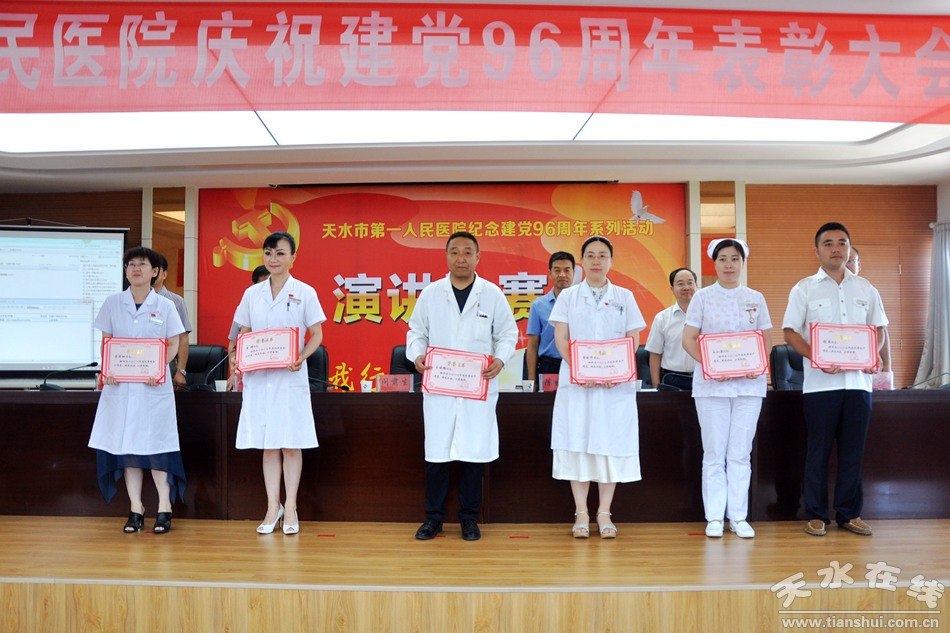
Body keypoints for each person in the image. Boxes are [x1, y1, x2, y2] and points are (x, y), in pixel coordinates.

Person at [406, 231, 518, 541]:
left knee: (473, 456)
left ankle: (469, 519)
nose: (461, 258)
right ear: (446, 256)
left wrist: (501, 359)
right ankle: (433, 519)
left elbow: (507, 334)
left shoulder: (492, 294)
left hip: (476, 389)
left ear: (478, 257)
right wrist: (417, 355)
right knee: (437, 456)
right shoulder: (431, 294)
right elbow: (416, 332)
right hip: (441, 388)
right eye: (454, 252)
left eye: (468, 252)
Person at [783, 223, 887, 537]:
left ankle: (849, 513)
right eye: (828, 243)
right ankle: (816, 515)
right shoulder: (804, 288)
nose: (836, 248)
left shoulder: (867, 288)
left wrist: (873, 354)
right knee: (818, 451)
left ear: (849, 249)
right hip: (820, 386)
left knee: (853, 452)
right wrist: (817, 356)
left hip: (858, 385)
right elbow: (790, 333)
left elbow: (878, 330)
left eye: (842, 242)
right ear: (817, 250)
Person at [549, 236, 646, 539]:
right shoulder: (569, 296)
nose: (596, 260)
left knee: (609, 444)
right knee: (577, 440)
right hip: (577, 382)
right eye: (590, 255)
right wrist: (580, 369)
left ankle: (604, 512)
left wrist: (619, 369)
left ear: (611, 261)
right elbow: (561, 338)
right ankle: (581, 512)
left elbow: (633, 338)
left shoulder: (625, 296)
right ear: (582, 261)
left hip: (614, 384)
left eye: (602, 255)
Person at [233, 231, 326, 535]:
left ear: (293, 257)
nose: (273, 259)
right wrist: (240, 358)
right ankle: (273, 507)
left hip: (289, 378)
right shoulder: (252, 294)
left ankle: (292, 507)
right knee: (269, 445)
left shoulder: (305, 292)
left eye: (280, 253)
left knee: (291, 444)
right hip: (260, 379)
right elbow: (244, 332)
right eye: (269, 253)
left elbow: (317, 335)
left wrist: (301, 356)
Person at [88, 246, 186, 534]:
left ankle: (164, 507)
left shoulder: (165, 305)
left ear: (154, 271)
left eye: (142, 264)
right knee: (127, 447)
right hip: (120, 387)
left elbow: (174, 343)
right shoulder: (112, 303)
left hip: (153, 386)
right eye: (130, 264)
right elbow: (107, 341)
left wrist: (159, 367)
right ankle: (136, 508)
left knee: (157, 446)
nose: (135, 269)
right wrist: (108, 369)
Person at [682, 239, 772, 539]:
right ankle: (714, 517)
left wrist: (758, 364)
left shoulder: (756, 298)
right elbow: (689, 339)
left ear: (743, 262)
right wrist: (710, 365)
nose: (729, 264)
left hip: (748, 386)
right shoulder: (702, 298)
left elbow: (764, 340)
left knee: (740, 453)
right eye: (723, 259)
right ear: (715, 263)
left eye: (735, 258)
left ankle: (738, 516)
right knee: (714, 452)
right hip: (711, 387)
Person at [525, 251, 575, 388]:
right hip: (549, 366)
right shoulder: (538, 305)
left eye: (567, 270)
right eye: (557, 270)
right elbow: (533, 345)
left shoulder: (583, 303)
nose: (562, 275)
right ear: (550, 273)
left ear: (574, 273)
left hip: (576, 364)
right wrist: (531, 379)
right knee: (548, 402)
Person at [645, 267, 697, 390]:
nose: (686, 287)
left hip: (701, 378)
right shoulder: (662, 318)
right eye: (680, 284)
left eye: (690, 283)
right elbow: (655, 354)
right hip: (671, 380)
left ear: (696, 286)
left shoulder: (708, 316)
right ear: (672, 289)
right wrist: (656, 386)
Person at [846, 247, 892, 375]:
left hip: (865, 366)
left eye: (850, 261)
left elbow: (881, 328)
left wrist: (887, 367)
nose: (846, 266)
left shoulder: (869, 290)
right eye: (843, 261)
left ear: (859, 265)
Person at [227, 265, 270, 391]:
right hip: (248, 370)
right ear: (253, 285)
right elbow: (233, 344)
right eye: (262, 284)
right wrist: (233, 373)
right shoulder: (242, 309)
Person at [152, 254, 192, 391]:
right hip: (139, 364)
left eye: (156, 270)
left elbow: (183, 338)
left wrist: (181, 371)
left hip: (167, 365)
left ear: (164, 274)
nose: (152, 274)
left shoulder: (175, 301)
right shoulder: (137, 300)